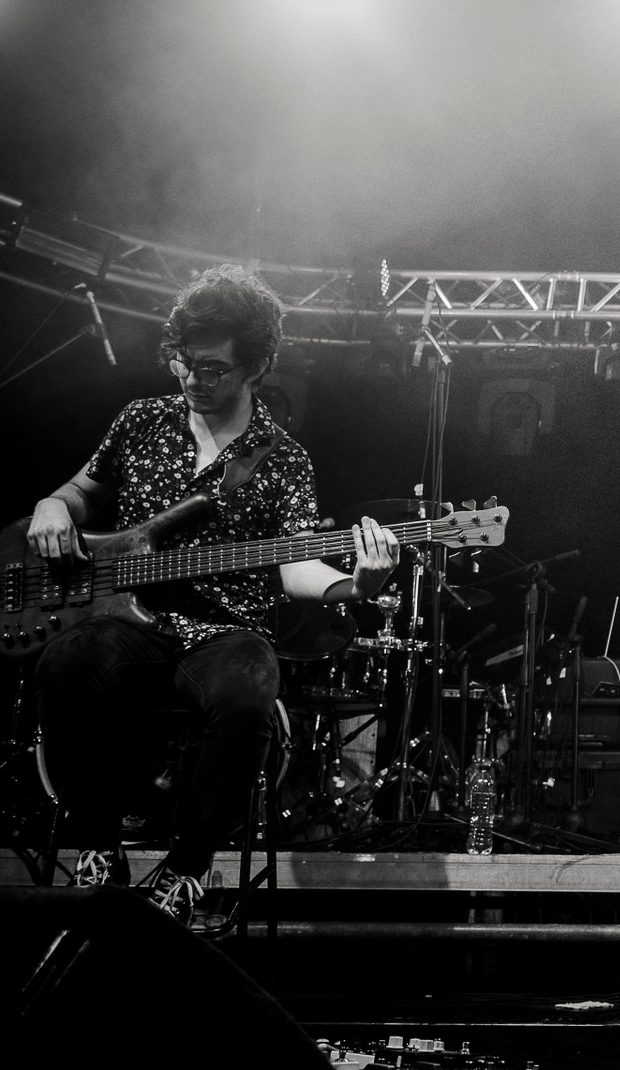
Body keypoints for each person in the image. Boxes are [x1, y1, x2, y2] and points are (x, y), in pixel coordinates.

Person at [29, 265, 400, 929]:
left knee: (248, 695)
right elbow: (82, 490)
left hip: (227, 633)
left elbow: (294, 565)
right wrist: (52, 505)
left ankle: (187, 869)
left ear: (256, 366)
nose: (192, 378)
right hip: (132, 623)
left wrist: (357, 584)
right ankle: (98, 849)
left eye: (212, 368)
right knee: (64, 662)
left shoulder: (282, 458)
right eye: (183, 361)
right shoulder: (142, 421)